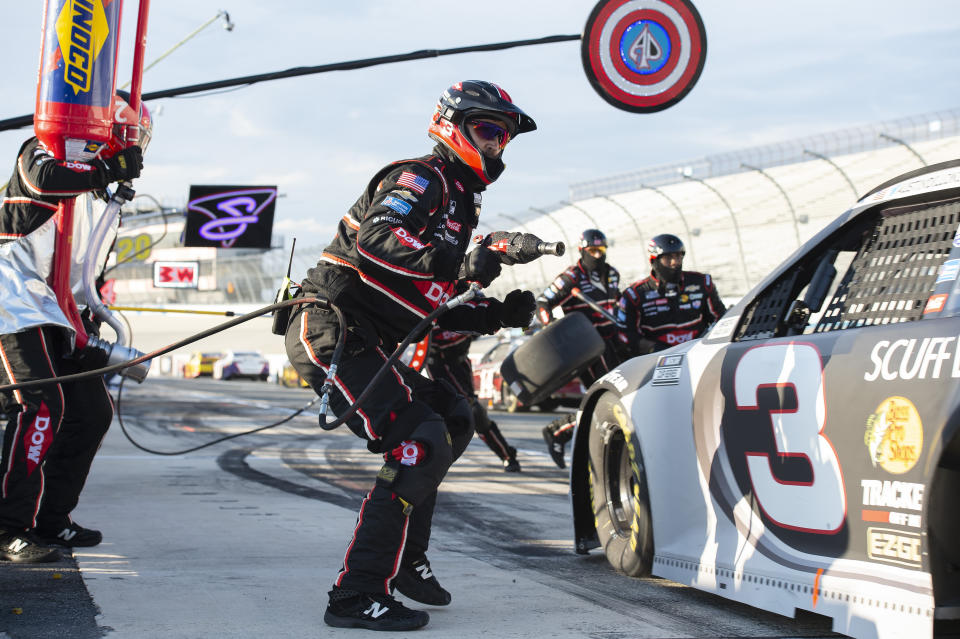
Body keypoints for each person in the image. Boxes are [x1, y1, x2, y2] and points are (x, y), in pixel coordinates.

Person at [285, 80, 537, 631]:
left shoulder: (459, 203)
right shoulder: (421, 177)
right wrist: (462, 263)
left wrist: (497, 314)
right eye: (489, 131)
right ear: (453, 125)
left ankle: (406, 562)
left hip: (364, 338)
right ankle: (355, 596)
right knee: (419, 442)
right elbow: (379, 241)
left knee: (452, 416)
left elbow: (429, 305)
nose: (497, 145)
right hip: (329, 326)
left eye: (505, 138)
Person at [0, 94, 146, 563]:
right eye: (129, 136)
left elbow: (82, 277)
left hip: (55, 312)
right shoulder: (44, 148)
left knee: (90, 412)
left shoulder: (105, 199)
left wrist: (88, 331)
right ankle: (7, 528)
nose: (135, 148)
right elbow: (45, 178)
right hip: (10, 300)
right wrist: (107, 170)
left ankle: (51, 519)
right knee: (42, 405)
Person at [537, 229, 624, 469]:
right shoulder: (571, 277)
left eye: (601, 251)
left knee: (612, 399)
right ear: (583, 251)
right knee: (611, 397)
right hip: (588, 345)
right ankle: (563, 431)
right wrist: (553, 329)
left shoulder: (613, 274)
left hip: (612, 340)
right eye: (593, 251)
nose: (597, 255)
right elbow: (542, 303)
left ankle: (562, 431)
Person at [425, 327, 520, 472]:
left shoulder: (464, 309)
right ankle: (421, 460)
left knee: (474, 413)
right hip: (436, 369)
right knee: (443, 416)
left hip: (460, 367)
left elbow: (484, 324)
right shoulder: (427, 316)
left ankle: (507, 455)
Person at [617, 233, 726, 355]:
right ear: (654, 260)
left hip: (698, 351)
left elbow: (721, 318)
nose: (675, 262)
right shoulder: (635, 294)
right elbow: (625, 334)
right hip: (657, 359)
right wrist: (653, 349)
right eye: (668, 258)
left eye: (678, 257)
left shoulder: (701, 283)